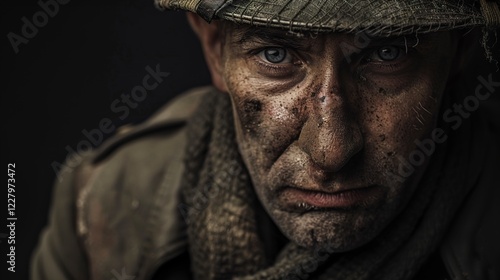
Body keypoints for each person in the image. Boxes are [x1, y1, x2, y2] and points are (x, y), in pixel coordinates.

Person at [31, 0, 500, 279]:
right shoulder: (101, 200)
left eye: (388, 54)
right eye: (275, 55)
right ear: (216, 51)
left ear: (457, 51)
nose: (331, 151)